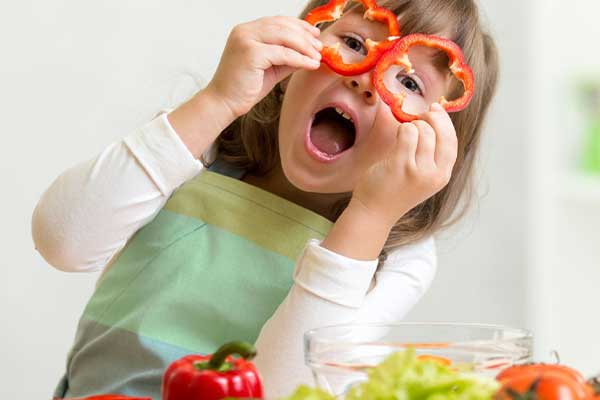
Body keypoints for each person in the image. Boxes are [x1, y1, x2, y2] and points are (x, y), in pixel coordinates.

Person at [32, 0, 499, 398]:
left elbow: (285, 391)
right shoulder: (203, 146)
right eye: (354, 44)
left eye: (410, 83)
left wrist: (370, 216)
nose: (366, 80)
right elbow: (62, 242)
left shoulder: (400, 256)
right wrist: (216, 99)